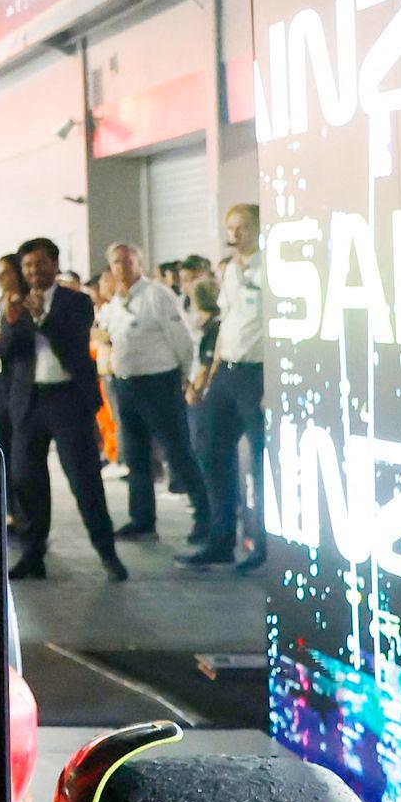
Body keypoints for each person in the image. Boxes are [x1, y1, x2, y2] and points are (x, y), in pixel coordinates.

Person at [0, 236, 126, 581]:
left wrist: (41, 317)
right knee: (27, 480)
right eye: (26, 266)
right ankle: (32, 554)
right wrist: (11, 323)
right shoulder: (15, 303)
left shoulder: (77, 301)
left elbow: (71, 341)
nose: (33, 271)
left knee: (84, 479)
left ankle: (107, 552)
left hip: (69, 400)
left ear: (54, 264)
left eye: (39, 264)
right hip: (29, 402)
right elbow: (7, 352)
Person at [95, 241, 205, 541]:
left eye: (128, 261)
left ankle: (204, 517)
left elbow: (182, 339)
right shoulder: (114, 303)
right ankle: (142, 519)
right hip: (126, 384)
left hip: (159, 383)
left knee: (178, 451)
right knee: (136, 455)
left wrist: (185, 376)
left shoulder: (157, 295)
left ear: (139, 264)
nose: (123, 267)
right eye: (117, 262)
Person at [183, 203, 271, 574]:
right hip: (228, 373)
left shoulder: (271, 268)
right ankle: (221, 540)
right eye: (230, 227)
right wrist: (210, 374)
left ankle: (264, 545)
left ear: (257, 228)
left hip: (258, 375)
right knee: (210, 448)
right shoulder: (231, 270)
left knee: (264, 463)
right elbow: (227, 323)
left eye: (241, 226)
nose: (234, 233)